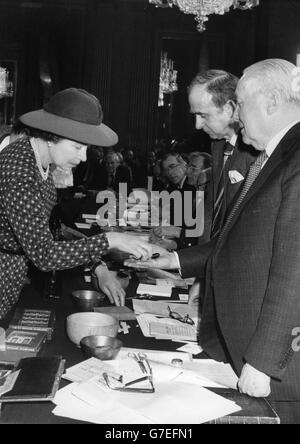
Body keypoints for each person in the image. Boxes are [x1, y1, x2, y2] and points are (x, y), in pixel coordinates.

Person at [127, 59, 300, 423]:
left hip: (274, 364)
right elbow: (234, 240)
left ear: (269, 102)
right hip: (241, 343)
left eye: (241, 103)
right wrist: (177, 262)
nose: (237, 117)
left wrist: (264, 361)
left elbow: (294, 269)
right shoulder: (273, 155)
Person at [0, 88, 153, 317]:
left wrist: (97, 266)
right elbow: (44, 254)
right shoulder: (19, 170)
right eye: (77, 147)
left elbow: (52, 228)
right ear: (52, 137)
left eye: (86, 148)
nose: (83, 157)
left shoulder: (37, 160)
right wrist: (110, 239)